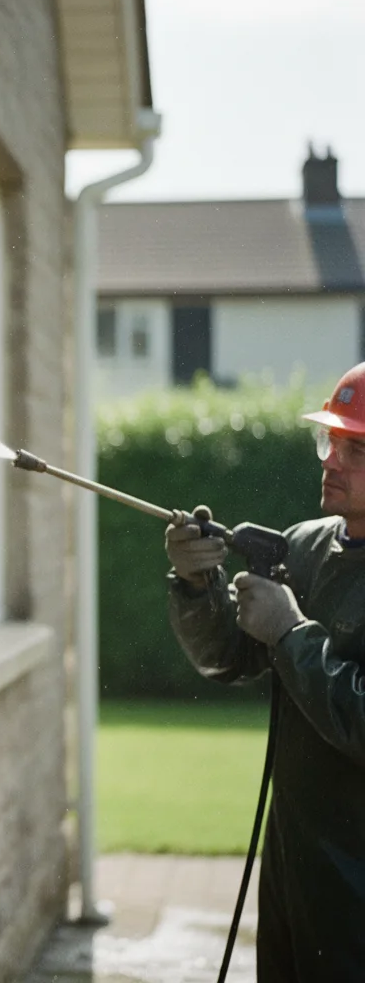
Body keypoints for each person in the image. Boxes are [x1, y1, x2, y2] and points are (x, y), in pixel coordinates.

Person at [165, 362, 365, 982]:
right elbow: (227, 657)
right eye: (330, 440)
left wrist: (290, 631)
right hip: (290, 858)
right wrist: (198, 585)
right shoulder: (305, 547)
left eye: (355, 449)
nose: (331, 459)